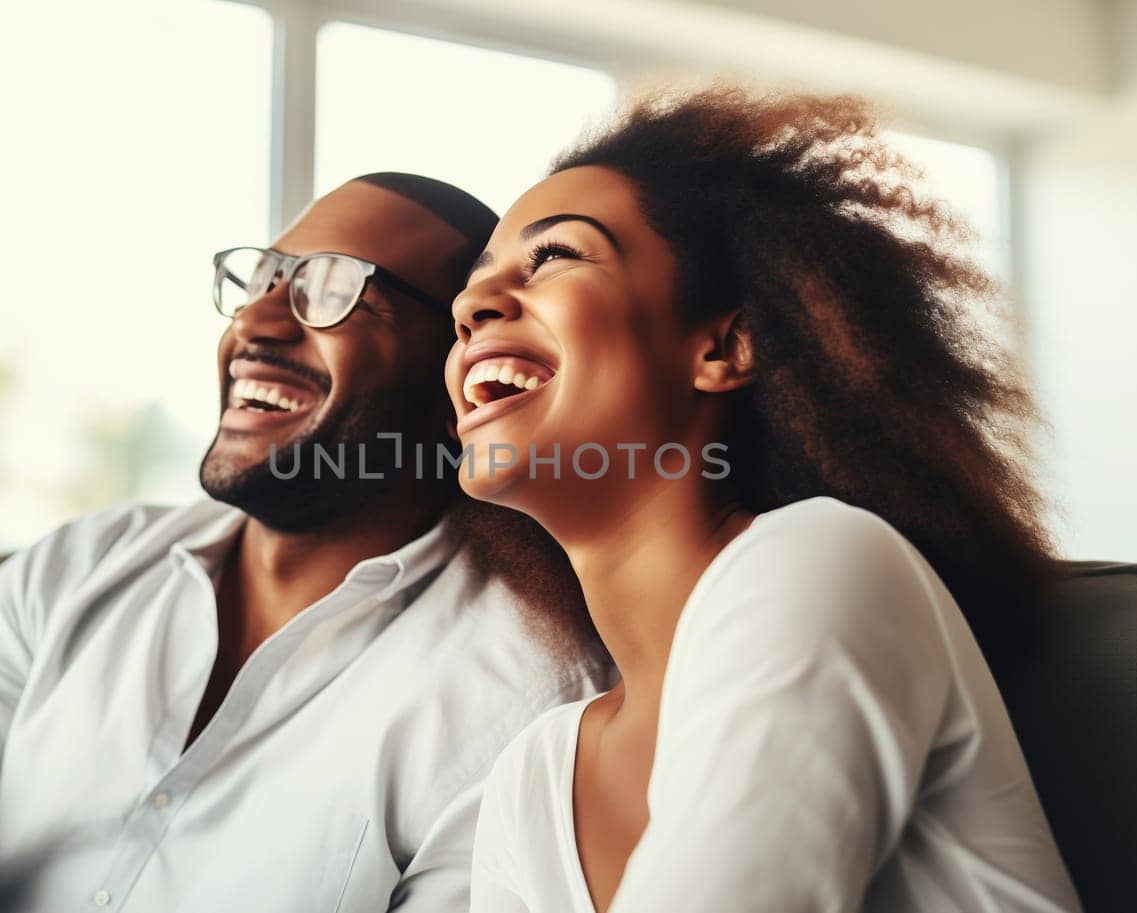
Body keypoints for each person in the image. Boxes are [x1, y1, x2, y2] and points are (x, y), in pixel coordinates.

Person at [0, 173, 609, 913]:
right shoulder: (73, 570)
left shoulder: (529, 695)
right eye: (265, 278)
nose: (259, 324)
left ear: (455, 362)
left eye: (331, 287)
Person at [449, 89, 1084, 912]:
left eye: (556, 256)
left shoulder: (822, 561)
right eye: (474, 285)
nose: (472, 307)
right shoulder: (532, 778)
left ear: (723, 345)